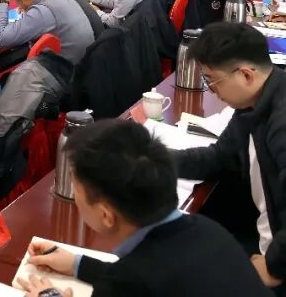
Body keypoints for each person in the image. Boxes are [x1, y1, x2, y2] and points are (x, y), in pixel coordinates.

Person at [18, 119, 270, 297]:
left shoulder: (127, 283)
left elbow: (134, 281)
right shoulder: (208, 230)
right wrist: (77, 263)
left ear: (106, 215)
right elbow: (148, 277)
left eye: (77, 191)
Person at [170, 22, 286, 290]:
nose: (213, 91)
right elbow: (219, 157)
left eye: (212, 81)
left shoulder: (280, 122)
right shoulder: (253, 104)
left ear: (246, 75)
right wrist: (155, 161)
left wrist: (274, 266)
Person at [0, 0, 96, 65]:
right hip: (83, 67)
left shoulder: (42, 11)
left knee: (8, 77)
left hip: (67, 74)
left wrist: (3, 0)